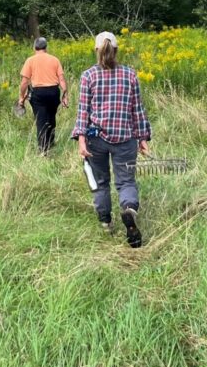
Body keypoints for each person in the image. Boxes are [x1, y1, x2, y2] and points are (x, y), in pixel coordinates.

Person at [71, 31, 152, 248]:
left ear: (97, 50)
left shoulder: (88, 76)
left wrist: (81, 140)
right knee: (126, 181)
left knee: (99, 182)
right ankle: (129, 209)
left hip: (95, 139)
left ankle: (105, 222)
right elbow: (138, 110)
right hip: (125, 138)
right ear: (116, 50)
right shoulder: (130, 74)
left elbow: (83, 112)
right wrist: (143, 137)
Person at [17, 37, 68, 153]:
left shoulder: (30, 60)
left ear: (34, 47)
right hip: (54, 92)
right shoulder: (55, 60)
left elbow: (24, 82)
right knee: (51, 117)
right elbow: (62, 79)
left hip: (38, 93)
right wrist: (65, 95)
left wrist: (21, 97)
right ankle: (51, 142)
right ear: (46, 47)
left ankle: (43, 149)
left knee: (41, 120)